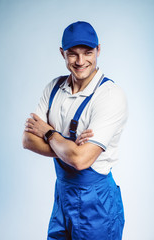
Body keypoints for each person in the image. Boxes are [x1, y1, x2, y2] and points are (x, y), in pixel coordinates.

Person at [23, 21, 128, 240]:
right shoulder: (53, 88)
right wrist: (70, 149)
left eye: (88, 52)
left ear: (98, 50)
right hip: (62, 198)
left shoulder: (109, 95)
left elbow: (81, 160)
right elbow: (28, 140)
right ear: (62, 53)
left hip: (97, 204)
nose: (81, 61)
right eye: (73, 54)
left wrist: (49, 133)